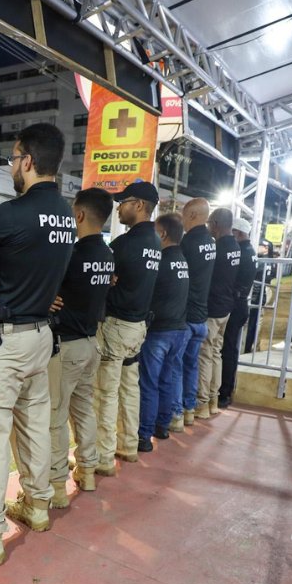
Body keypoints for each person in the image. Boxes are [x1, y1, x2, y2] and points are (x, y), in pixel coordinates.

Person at [0, 123, 75, 564]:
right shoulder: (67, 214)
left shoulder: (9, 214)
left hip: (4, 341)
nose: (12, 167)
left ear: (27, 160)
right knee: (33, 424)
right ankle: (38, 503)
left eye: (13, 158)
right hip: (41, 333)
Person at [47, 187, 114, 506]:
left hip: (69, 345)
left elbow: (52, 293)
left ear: (80, 215)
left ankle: (57, 484)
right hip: (92, 342)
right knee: (84, 409)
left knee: (56, 416)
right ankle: (87, 470)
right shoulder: (107, 255)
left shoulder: (72, 255)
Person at [93, 181, 161, 475]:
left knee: (105, 393)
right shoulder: (156, 243)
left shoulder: (125, 244)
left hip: (116, 325)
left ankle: (102, 457)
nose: (118, 207)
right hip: (138, 328)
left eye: (124, 202)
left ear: (140, 205)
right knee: (129, 389)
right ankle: (128, 445)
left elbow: (102, 278)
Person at [137, 213, 190, 452]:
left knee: (149, 384)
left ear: (163, 234)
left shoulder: (161, 261)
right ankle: (162, 426)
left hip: (159, 331)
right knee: (166, 381)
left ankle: (144, 436)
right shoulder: (182, 260)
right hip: (178, 330)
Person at [170, 198, 215, 432]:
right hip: (202, 316)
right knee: (191, 365)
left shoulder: (188, 243)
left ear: (194, 215)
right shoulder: (210, 241)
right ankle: (189, 410)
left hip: (186, 316)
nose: (184, 222)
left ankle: (176, 415)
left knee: (176, 366)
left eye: (186, 216)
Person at [196, 207, 240, 418]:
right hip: (226, 307)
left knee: (205, 355)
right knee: (215, 353)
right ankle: (213, 399)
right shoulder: (236, 247)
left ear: (215, 224)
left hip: (213, 308)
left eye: (209, 223)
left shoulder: (218, 249)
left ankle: (202, 403)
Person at [219, 217, 257, 408]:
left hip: (236, 304)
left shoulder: (241, 252)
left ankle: (224, 392)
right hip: (240, 303)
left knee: (228, 350)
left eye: (232, 232)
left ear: (239, 233)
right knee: (229, 349)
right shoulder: (249, 251)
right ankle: (224, 390)